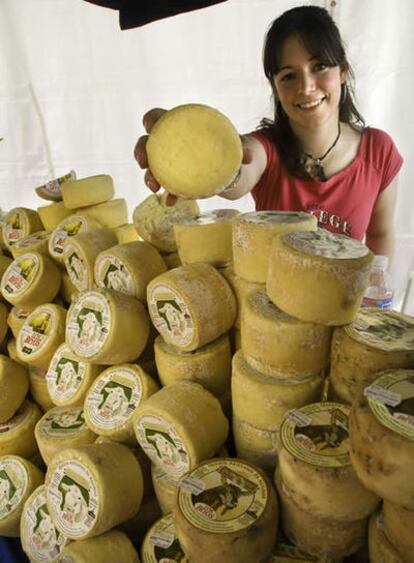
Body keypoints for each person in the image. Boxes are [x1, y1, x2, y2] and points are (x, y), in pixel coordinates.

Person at [135, 5, 403, 261]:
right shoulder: (266, 148)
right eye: (289, 76)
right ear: (275, 87)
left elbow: (380, 234)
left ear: (342, 72)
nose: (307, 87)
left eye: (319, 66)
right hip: (267, 306)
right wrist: (187, 152)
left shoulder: (379, 151)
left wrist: (374, 293)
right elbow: (238, 172)